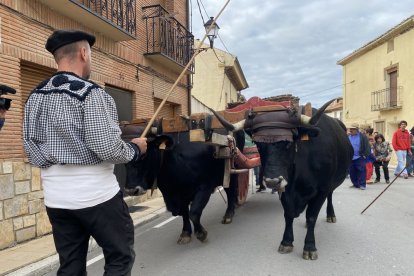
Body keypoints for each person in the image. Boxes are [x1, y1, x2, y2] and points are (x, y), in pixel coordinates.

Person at [23, 29, 147, 275]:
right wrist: (135, 149)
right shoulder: (91, 94)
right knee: (120, 257)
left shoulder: (34, 97)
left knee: (70, 265)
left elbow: (30, 146)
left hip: (56, 199)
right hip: (97, 197)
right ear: (83, 52)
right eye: (91, 54)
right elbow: (107, 148)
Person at [348, 123, 371, 190]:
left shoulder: (362, 137)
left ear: (356, 129)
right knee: (352, 172)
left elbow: (367, 147)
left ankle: (362, 185)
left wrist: (364, 155)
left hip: (359, 157)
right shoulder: (348, 136)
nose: (350, 130)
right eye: (350, 129)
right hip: (350, 157)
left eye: (352, 129)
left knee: (361, 171)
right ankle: (355, 184)